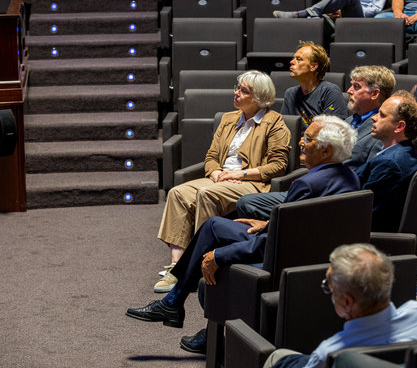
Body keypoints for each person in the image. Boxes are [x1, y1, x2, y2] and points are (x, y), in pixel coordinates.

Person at [125, 116, 360, 332]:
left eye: (308, 138)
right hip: (311, 252)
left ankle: (181, 309)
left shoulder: (307, 184)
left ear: (326, 149)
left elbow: (274, 244)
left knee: (213, 240)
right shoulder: (350, 177)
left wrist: (219, 255)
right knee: (214, 225)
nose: (300, 141)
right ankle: (175, 303)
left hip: (282, 259)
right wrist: (270, 222)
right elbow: (307, 226)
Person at [155, 70, 291, 292]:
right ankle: (176, 265)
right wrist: (216, 172)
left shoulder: (274, 123)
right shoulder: (228, 119)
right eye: (237, 88)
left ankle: (198, 264)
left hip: (251, 182)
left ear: (259, 97)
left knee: (206, 194)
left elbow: (277, 166)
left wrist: (241, 174)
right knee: (177, 193)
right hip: (220, 178)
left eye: (243, 91)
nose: (236, 93)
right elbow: (210, 157)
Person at [236, 65, 394, 221]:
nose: (349, 91)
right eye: (351, 85)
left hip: (334, 196)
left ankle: (268, 235)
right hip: (316, 184)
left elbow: (369, 179)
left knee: (247, 204)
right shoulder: (349, 120)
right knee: (247, 202)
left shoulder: (380, 130)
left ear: (374, 94)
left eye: (356, 87)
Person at [262, 243, 417, 368]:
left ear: (347, 302)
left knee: (277, 357)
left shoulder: (330, 354)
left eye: (328, 286)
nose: (328, 291)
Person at [355, 90, 417, 232]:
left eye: (382, 115)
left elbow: (364, 211)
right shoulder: (405, 151)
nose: (373, 118)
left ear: (399, 126)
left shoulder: (390, 164)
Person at [280, 41, 348, 131]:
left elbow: (333, 132)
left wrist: (308, 139)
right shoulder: (290, 93)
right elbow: (284, 127)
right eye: (293, 58)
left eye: (299, 59)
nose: (292, 62)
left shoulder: (330, 92)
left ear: (313, 66)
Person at [272, 0, 387, 19]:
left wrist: (343, 11)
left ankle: (302, 13)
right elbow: (326, 1)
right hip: (332, 16)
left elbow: (376, 9)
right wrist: (331, 11)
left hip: (357, 17)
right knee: (315, 19)